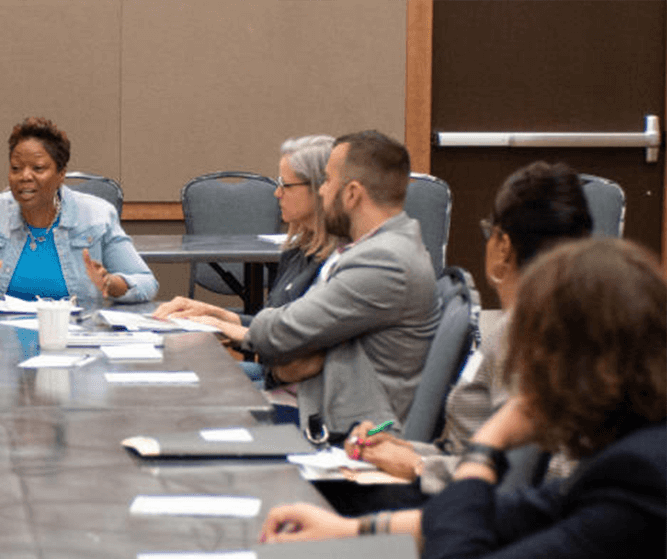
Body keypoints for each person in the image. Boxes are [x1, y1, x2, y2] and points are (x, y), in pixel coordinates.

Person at [260, 237, 666, 559]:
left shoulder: (641, 477)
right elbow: (507, 517)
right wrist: (346, 529)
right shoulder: (633, 454)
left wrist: (486, 446)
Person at [346, 161, 592, 493]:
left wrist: (419, 466)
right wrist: (407, 451)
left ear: (503, 246)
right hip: (463, 493)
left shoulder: (528, 333)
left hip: (475, 517)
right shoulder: (559, 320)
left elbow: (523, 477)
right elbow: (472, 454)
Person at [172, 131, 437, 437]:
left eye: (326, 181)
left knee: (188, 418)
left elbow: (283, 332)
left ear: (351, 193)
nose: (322, 192)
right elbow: (295, 345)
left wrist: (240, 331)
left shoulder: (382, 260)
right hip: (317, 402)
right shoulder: (373, 249)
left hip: (338, 425)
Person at [152, 135, 341, 384]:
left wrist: (227, 327)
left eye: (286, 185)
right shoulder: (298, 251)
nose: (277, 193)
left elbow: (297, 350)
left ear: (320, 188)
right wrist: (216, 314)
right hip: (275, 377)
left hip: (301, 394)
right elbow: (273, 326)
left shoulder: (338, 264)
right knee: (171, 375)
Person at [0, 117, 156, 304]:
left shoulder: (97, 215)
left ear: (61, 173)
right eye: (16, 168)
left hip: (73, 341)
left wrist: (112, 284)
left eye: (38, 168)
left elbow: (147, 283)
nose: (24, 176)